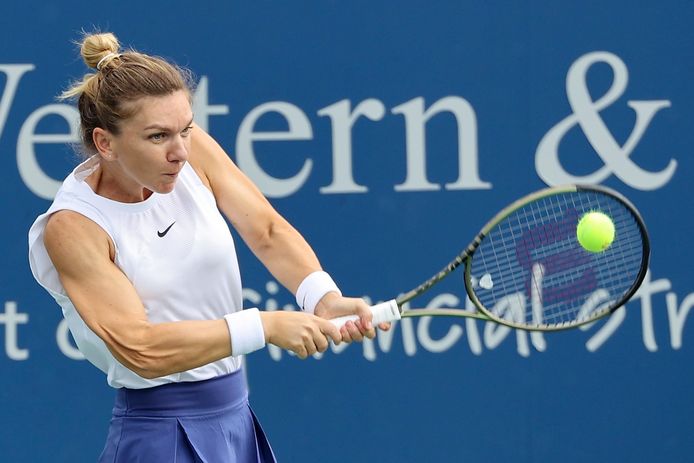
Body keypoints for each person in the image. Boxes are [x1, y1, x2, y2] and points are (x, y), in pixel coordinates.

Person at [28, 32, 384, 462]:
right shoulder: (73, 226)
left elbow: (266, 230)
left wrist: (321, 296)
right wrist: (264, 327)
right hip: (160, 437)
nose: (180, 151)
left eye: (186, 129)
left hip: (236, 418)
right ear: (105, 143)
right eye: (158, 137)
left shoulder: (190, 153)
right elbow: (140, 347)